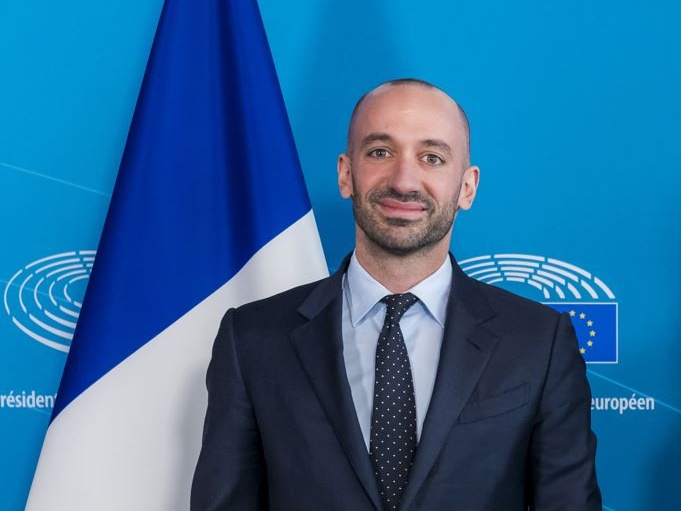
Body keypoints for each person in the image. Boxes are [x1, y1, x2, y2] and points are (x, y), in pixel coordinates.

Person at [191, 78, 602, 511]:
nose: (404, 181)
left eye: (432, 157)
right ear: (346, 174)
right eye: (380, 152)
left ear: (467, 187)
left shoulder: (539, 342)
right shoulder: (252, 338)